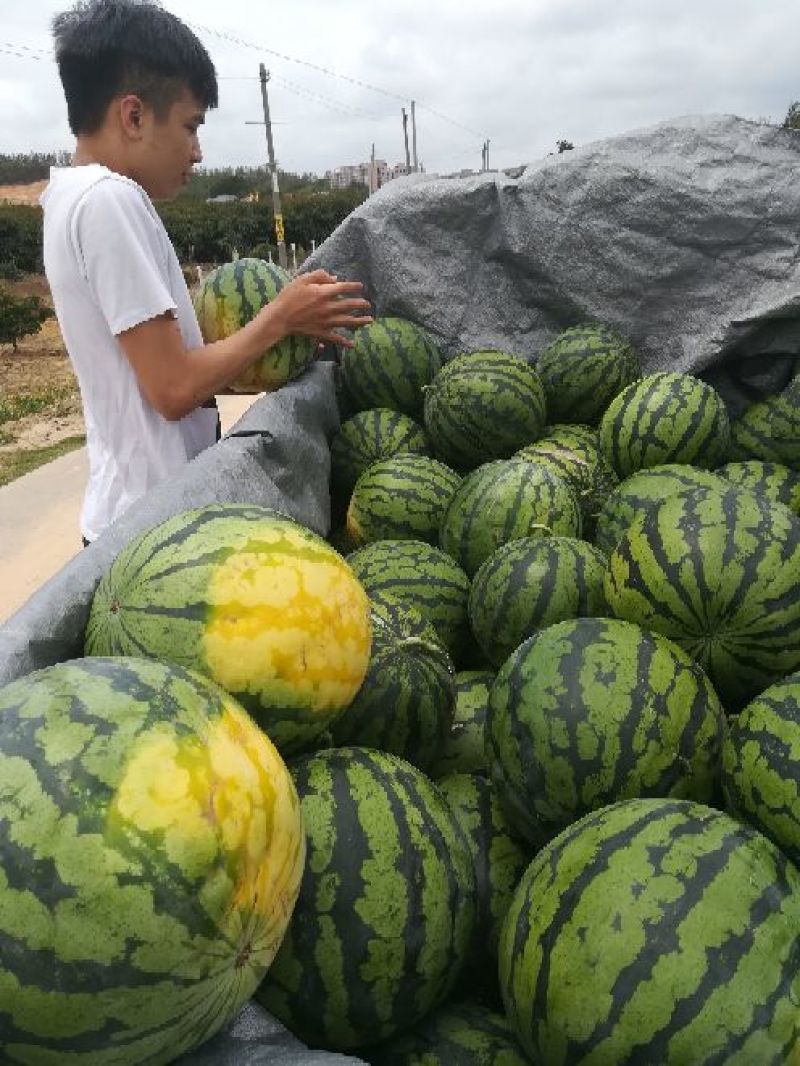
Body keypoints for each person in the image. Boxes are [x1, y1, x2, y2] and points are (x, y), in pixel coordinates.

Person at [43, 0, 372, 545]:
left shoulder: (68, 197)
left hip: (134, 511)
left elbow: (159, 374)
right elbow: (173, 389)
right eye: (191, 126)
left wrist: (264, 354)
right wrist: (279, 319)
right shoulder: (108, 202)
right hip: (153, 521)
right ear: (134, 115)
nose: (197, 152)